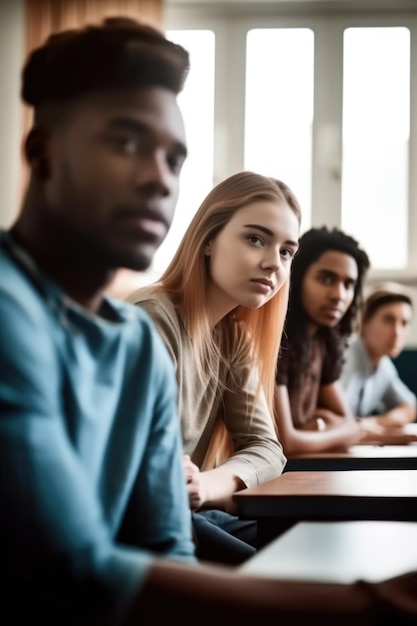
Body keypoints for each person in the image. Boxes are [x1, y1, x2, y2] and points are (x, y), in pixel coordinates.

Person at [2, 16, 417, 626]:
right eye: (125, 143)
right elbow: (73, 569)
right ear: (42, 153)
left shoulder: (131, 344)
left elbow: (167, 538)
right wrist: (362, 605)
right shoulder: (22, 314)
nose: (158, 180)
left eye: (175, 160)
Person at [128, 170, 301, 564]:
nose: (273, 264)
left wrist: (205, 486)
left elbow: (267, 449)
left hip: (197, 511)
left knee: (315, 537)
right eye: (255, 238)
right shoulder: (150, 320)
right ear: (208, 240)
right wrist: (193, 490)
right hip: (142, 526)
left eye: (287, 251)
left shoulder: (233, 335)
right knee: (293, 574)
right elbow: (150, 477)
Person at [274, 226, 417, 457]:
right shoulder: (278, 339)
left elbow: (346, 421)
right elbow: (286, 442)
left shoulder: (325, 342)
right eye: (326, 278)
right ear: (298, 277)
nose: (339, 295)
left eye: (348, 285)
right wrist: (344, 430)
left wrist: (331, 427)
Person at [341, 282, 417, 431]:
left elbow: (409, 406)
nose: (397, 332)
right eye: (388, 320)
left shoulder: (384, 365)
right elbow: (335, 422)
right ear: (364, 322)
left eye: (404, 323)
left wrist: (374, 423)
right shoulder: (344, 356)